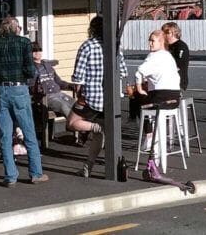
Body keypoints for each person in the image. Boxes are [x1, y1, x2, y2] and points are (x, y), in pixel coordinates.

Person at [0, 15, 47, 187]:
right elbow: (30, 69)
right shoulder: (23, 43)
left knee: (5, 135)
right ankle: (35, 173)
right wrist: (26, 79)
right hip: (19, 88)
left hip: (2, 90)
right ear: (16, 28)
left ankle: (10, 176)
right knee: (28, 130)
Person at [69, 15, 128, 178]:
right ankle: (88, 166)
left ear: (92, 29)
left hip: (92, 98)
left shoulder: (87, 46)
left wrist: (79, 89)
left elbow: (77, 77)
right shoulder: (115, 45)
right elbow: (123, 71)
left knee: (73, 122)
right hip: (112, 98)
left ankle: (96, 128)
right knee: (98, 137)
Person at [135, 29, 181, 180]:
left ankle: (148, 135)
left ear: (161, 42)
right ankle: (154, 143)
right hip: (175, 98)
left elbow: (139, 72)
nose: (149, 43)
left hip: (161, 97)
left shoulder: (154, 56)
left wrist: (140, 88)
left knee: (138, 101)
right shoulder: (169, 57)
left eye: (152, 41)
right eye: (149, 40)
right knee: (148, 101)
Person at [29, 41, 75, 118]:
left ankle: (85, 126)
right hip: (46, 98)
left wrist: (72, 85)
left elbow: (59, 82)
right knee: (63, 106)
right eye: (34, 51)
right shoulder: (29, 68)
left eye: (39, 50)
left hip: (59, 94)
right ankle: (75, 125)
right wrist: (37, 89)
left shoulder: (48, 66)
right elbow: (30, 87)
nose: (37, 52)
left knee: (75, 104)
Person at [163, 22, 191, 92]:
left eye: (165, 33)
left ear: (172, 33)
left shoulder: (181, 46)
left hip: (177, 82)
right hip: (164, 80)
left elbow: (178, 64)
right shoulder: (165, 46)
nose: (163, 35)